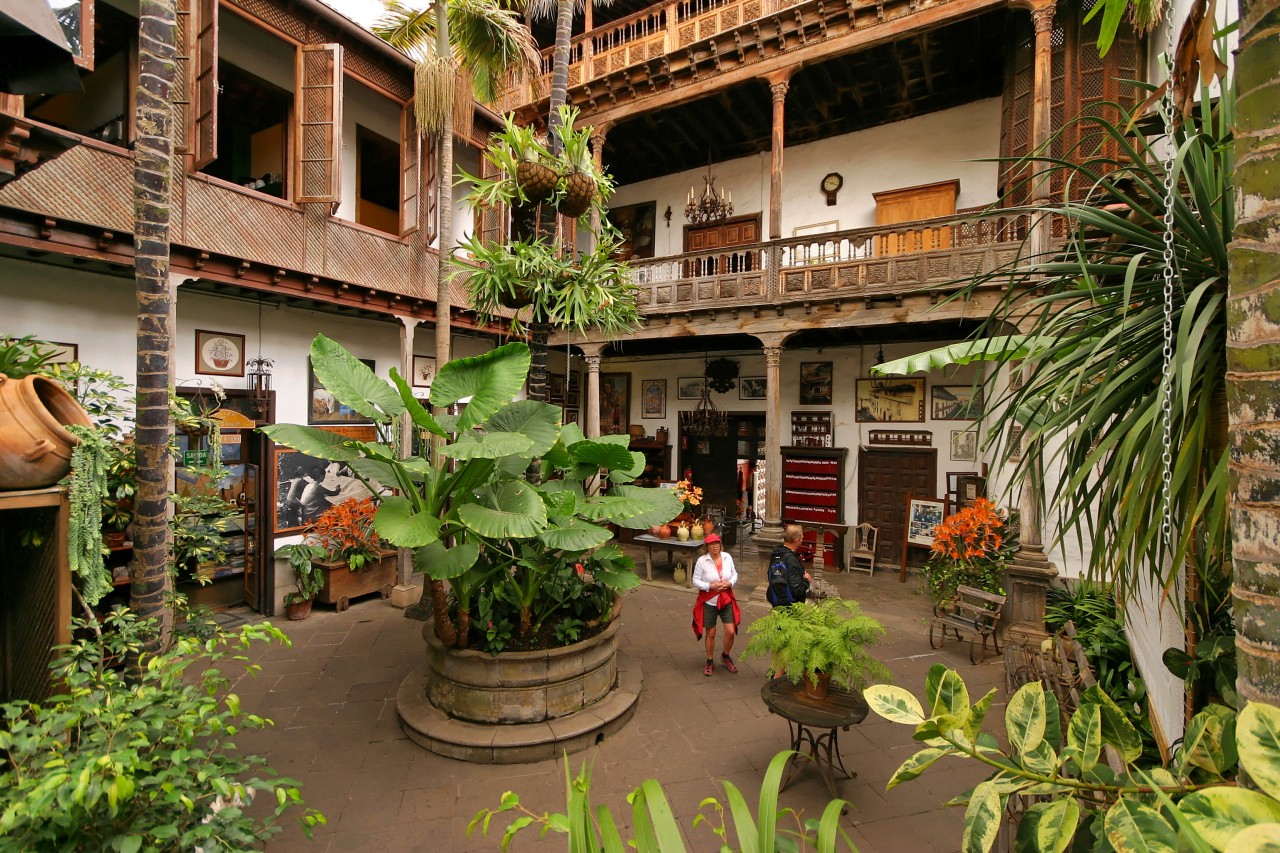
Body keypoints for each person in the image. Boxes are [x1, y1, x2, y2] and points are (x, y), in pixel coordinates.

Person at [691, 533, 740, 676]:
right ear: (706, 547)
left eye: (716, 544)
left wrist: (730, 583)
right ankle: (709, 660)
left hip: (726, 599)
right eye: (711, 545)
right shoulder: (702, 561)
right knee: (711, 633)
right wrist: (709, 586)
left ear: (720, 544)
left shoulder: (727, 557)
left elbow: (734, 574)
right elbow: (695, 581)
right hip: (709, 601)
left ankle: (725, 655)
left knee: (730, 631)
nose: (714, 547)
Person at [767, 525, 812, 608]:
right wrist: (806, 580)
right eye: (801, 538)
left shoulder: (776, 554)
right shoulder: (791, 560)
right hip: (791, 606)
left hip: (777, 602)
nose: (802, 540)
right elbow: (797, 589)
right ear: (797, 540)